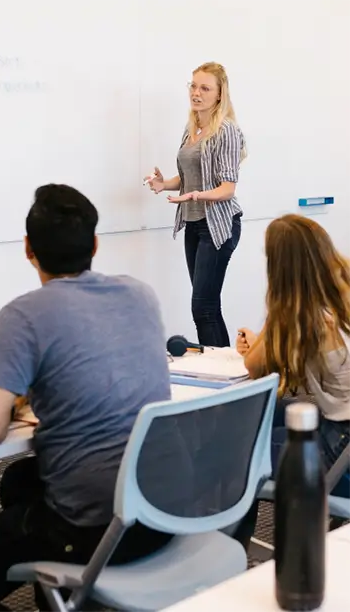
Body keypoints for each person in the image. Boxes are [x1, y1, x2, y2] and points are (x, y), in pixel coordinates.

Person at [0, 184, 174, 611]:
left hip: (95, 522)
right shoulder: (140, 294)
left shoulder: (24, 315)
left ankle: (69, 581)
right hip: (166, 505)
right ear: (95, 244)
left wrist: (14, 400)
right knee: (19, 481)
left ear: (28, 249)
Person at [236, 214, 350, 497]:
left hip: (340, 442)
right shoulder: (341, 286)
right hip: (341, 431)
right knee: (272, 410)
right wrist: (265, 337)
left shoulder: (302, 315)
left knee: (238, 445)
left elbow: (254, 368)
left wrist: (275, 309)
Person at [146, 62, 246, 348]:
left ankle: (223, 375)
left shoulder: (225, 130)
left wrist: (197, 195)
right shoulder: (193, 129)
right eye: (193, 86)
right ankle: (224, 371)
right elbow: (191, 178)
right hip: (193, 222)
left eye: (205, 88)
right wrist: (164, 184)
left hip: (218, 225)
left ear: (219, 94)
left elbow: (227, 188)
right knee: (207, 308)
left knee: (202, 308)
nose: (196, 93)